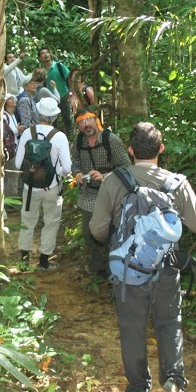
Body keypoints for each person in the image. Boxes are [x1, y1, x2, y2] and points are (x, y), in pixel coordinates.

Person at [90, 122, 196, 392]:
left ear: (131, 150)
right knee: (169, 322)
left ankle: (138, 389)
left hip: (127, 270)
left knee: (132, 327)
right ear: (161, 149)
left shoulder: (114, 181)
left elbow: (97, 230)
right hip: (167, 267)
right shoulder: (177, 184)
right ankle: (173, 381)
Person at [69, 109, 130, 279]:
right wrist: (78, 173)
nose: (86, 124)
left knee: (113, 232)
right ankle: (98, 269)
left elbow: (126, 167)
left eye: (88, 120)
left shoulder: (111, 140)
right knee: (90, 232)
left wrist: (105, 176)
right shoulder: (79, 141)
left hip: (112, 194)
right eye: (81, 122)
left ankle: (116, 269)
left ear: (96, 120)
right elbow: (74, 162)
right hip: (89, 195)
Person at [14, 98, 72, 270]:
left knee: (27, 220)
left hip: (30, 187)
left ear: (38, 114)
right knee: (51, 222)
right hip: (51, 187)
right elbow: (67, 168)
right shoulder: (59, 136)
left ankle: (24, 260)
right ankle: (44, 261)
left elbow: (18, 164)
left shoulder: (27, 133)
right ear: (54, 116)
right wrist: (57, 173)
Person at [38, 47, 72, 135]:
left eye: (47, 52)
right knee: (52, 121)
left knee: (67, 119)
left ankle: (71, 138)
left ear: (50, 54)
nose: (45, 55)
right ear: (40, 58)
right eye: (43, 53)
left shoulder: (59, 66)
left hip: (64, 96)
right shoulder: (41, 71)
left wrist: (70, 92)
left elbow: (70, 78)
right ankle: (53, 137)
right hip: (50, 99)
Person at [2, 94, 26, 197]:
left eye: (13, 98)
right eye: (10, 99)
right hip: (8, 151)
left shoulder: (12, 116)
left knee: (12, 175)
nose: (13, 100)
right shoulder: (4, 116)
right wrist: (17, 130)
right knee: (12, 175)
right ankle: (11, 198)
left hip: (14, 149)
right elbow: (4, 132)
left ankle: (10, 197)